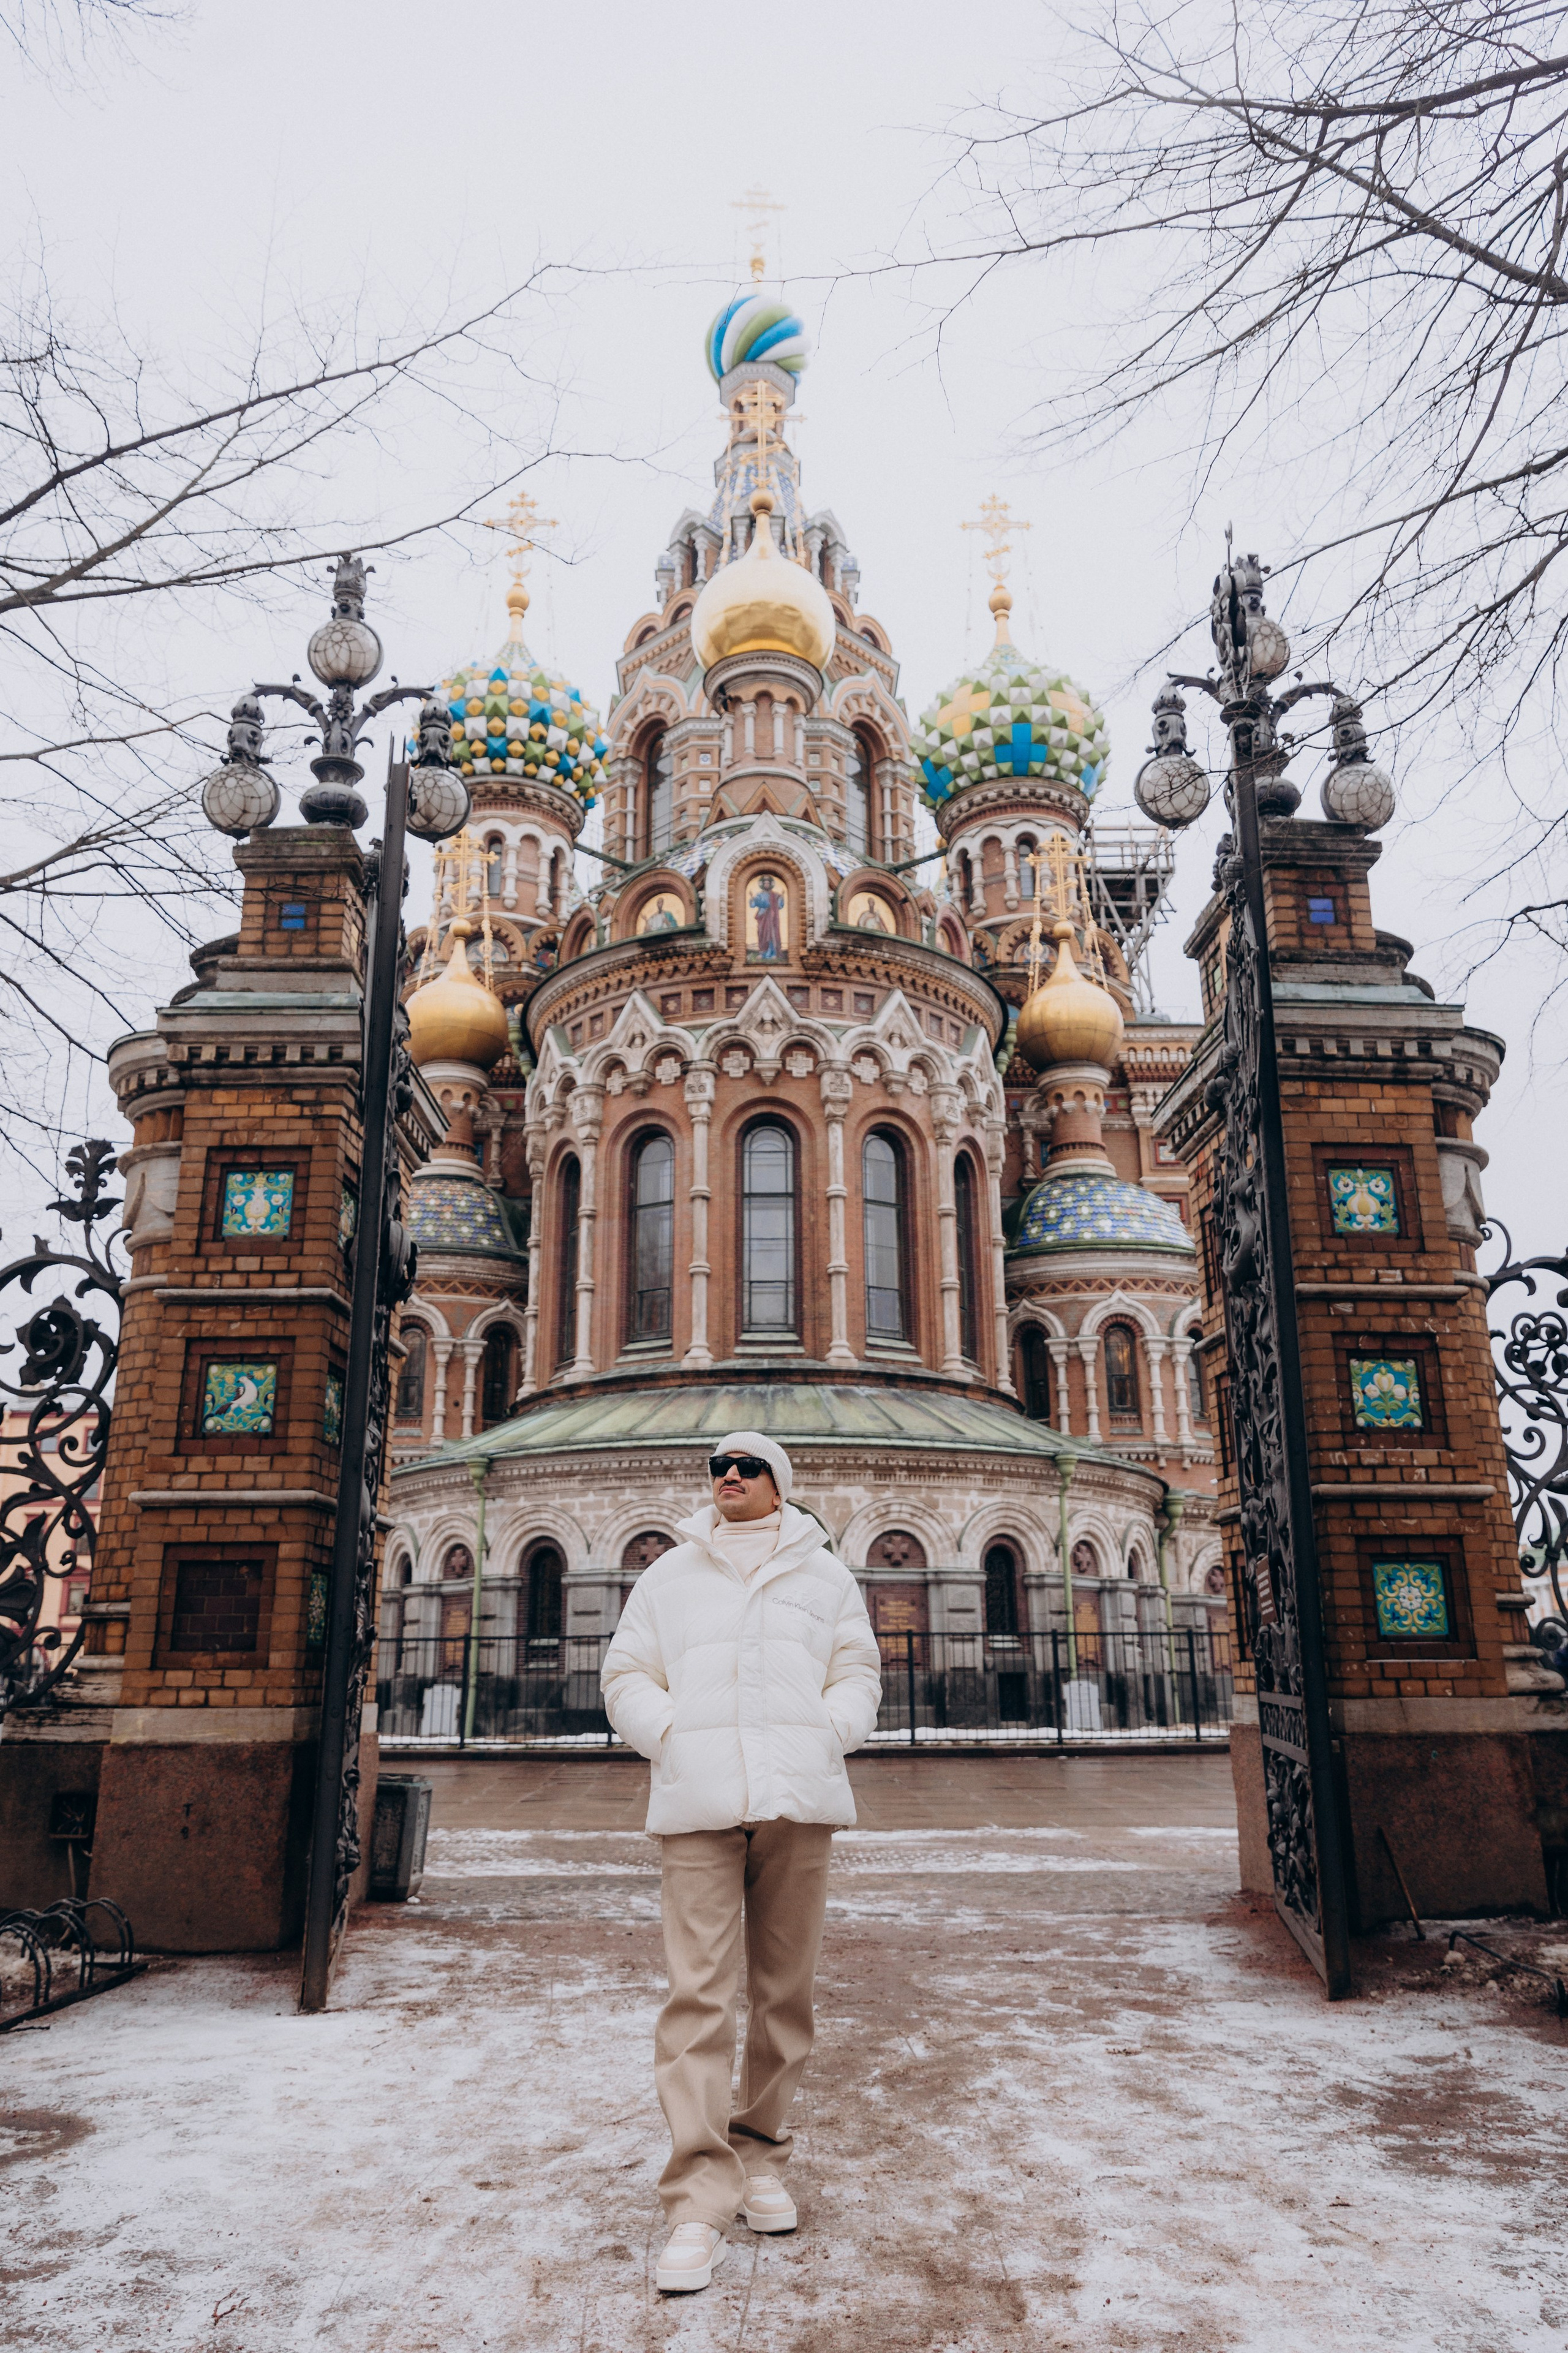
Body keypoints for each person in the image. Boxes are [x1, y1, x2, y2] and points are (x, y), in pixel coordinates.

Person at [601, 1431, 881, 2295]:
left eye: (747, 1466)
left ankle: (759, 2155)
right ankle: (696, 2197)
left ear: (778, 1485)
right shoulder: (670, 1574)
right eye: (718, 1466)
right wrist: (672, 1736)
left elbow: (858, 1670)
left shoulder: (826, 1575)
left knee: (784, 1993)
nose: (728, 1476)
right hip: (698, 1807)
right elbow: (626, 1673)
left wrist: (829, 1736)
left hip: (799, 1801)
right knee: (697, 1995)